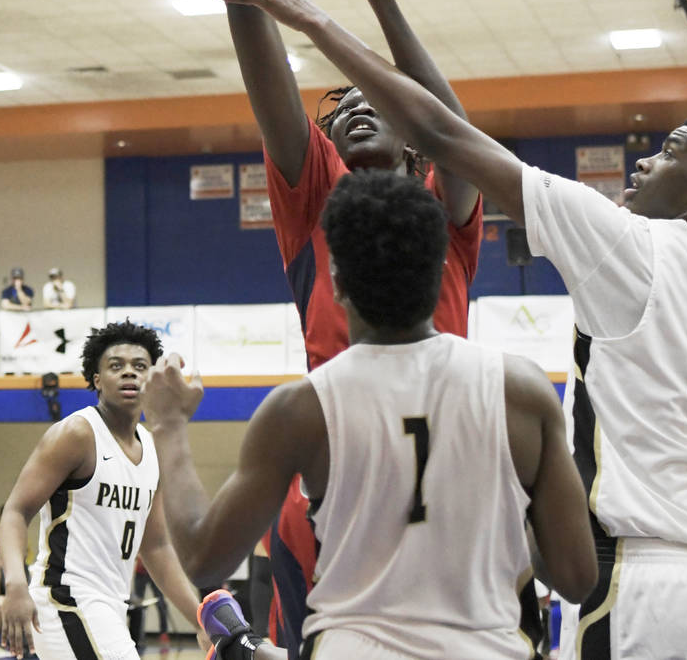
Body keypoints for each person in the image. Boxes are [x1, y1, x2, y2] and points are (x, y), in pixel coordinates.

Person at [209, 0, 687, 660]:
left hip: (635, 580)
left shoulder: (628, 247)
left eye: (670, 151)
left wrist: (316, 20)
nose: (646, 158)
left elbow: (445, 132)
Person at [161, 0, 483, 658]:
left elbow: (456, 130)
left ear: (416, 141)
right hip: (332, 488)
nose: (346, 108)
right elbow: (243, 10)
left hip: (446, 487)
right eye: (336, 110)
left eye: (367, 101)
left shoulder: (444, 213)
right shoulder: (318, 204)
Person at [144, 168, 597, 660]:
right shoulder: (521, 391)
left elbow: (204, 560)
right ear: (439, 268)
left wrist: (168, 426)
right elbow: (574, 577)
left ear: (337, 280)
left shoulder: (300, 410)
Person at [0, 319, 209, 660]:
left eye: (140, 366)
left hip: (109, 605)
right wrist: (15, 585)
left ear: (151, 379)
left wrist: (200, 619)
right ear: (97, 380)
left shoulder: (153, 447)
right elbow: (16, 511)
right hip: (63, 600)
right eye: (116, 366)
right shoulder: (77, 433)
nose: (129, 373)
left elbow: (155, 546)